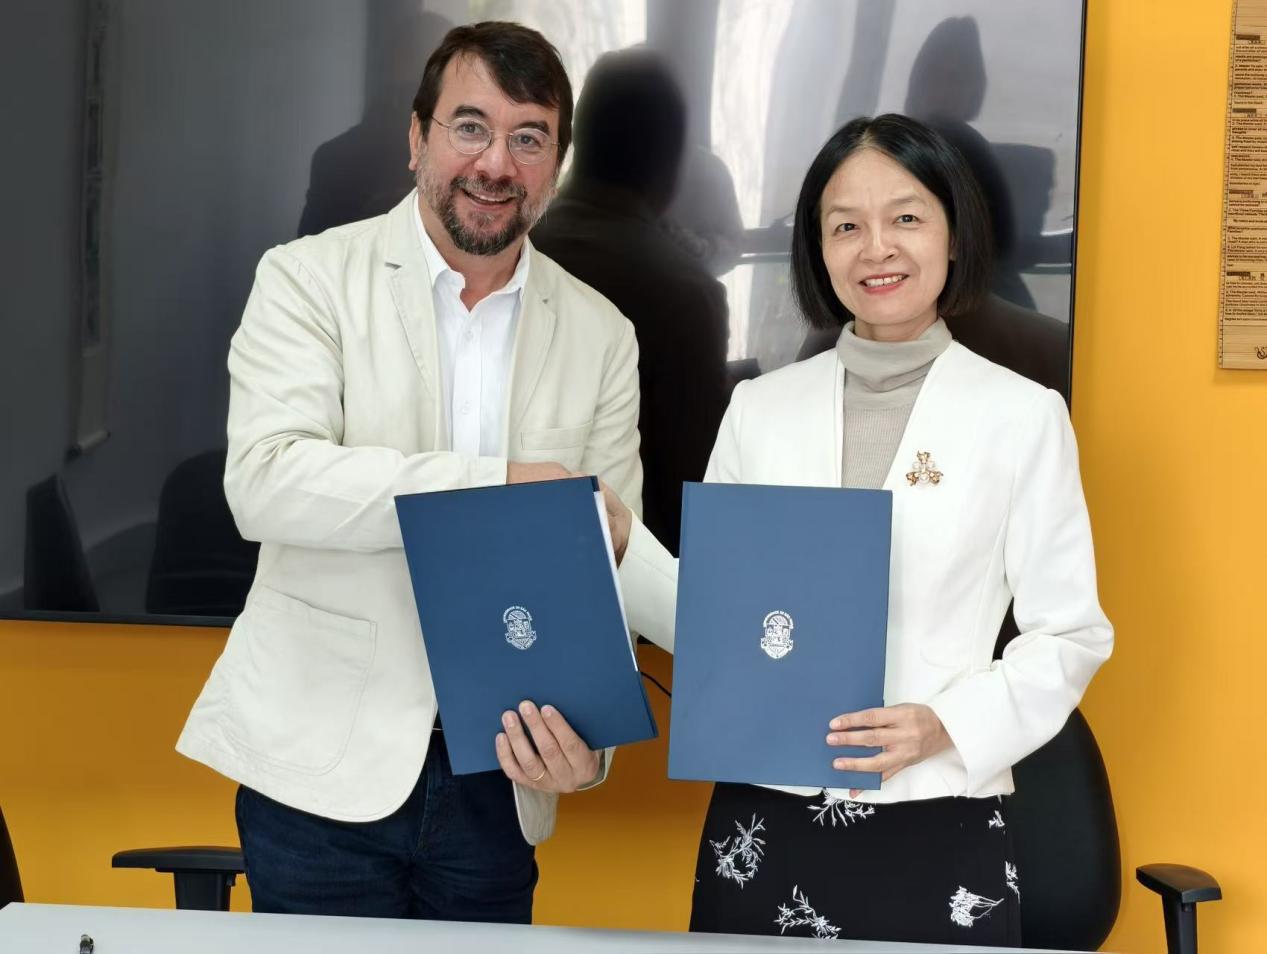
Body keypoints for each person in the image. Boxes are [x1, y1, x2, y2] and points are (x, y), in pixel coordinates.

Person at [607, 114, 1112, 946]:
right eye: (845, 226)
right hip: (764, 811)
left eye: (905, 217)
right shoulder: (759, 410)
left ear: (953, 234)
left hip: (937, 809)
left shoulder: (1022, 417)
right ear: (818, 249)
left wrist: (943, 724)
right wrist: (627, 546)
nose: (875, 248)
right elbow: (717, 622)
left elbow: (1069, 634)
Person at [176, 21, 643, 923]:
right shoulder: (306, 279)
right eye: (470, 127)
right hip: (318, 769)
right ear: (417, 138)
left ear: (556, 165)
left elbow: (604, 564)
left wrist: (590, 747)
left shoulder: (602, 334)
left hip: (500, 777)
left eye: (528, 137)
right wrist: (497, 484)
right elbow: (265, 482)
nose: (495, 163)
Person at [532, 48, 729, 556]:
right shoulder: (686, 294)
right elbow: (694, 498)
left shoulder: (507, 250)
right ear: (670, 161)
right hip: (631, 578)